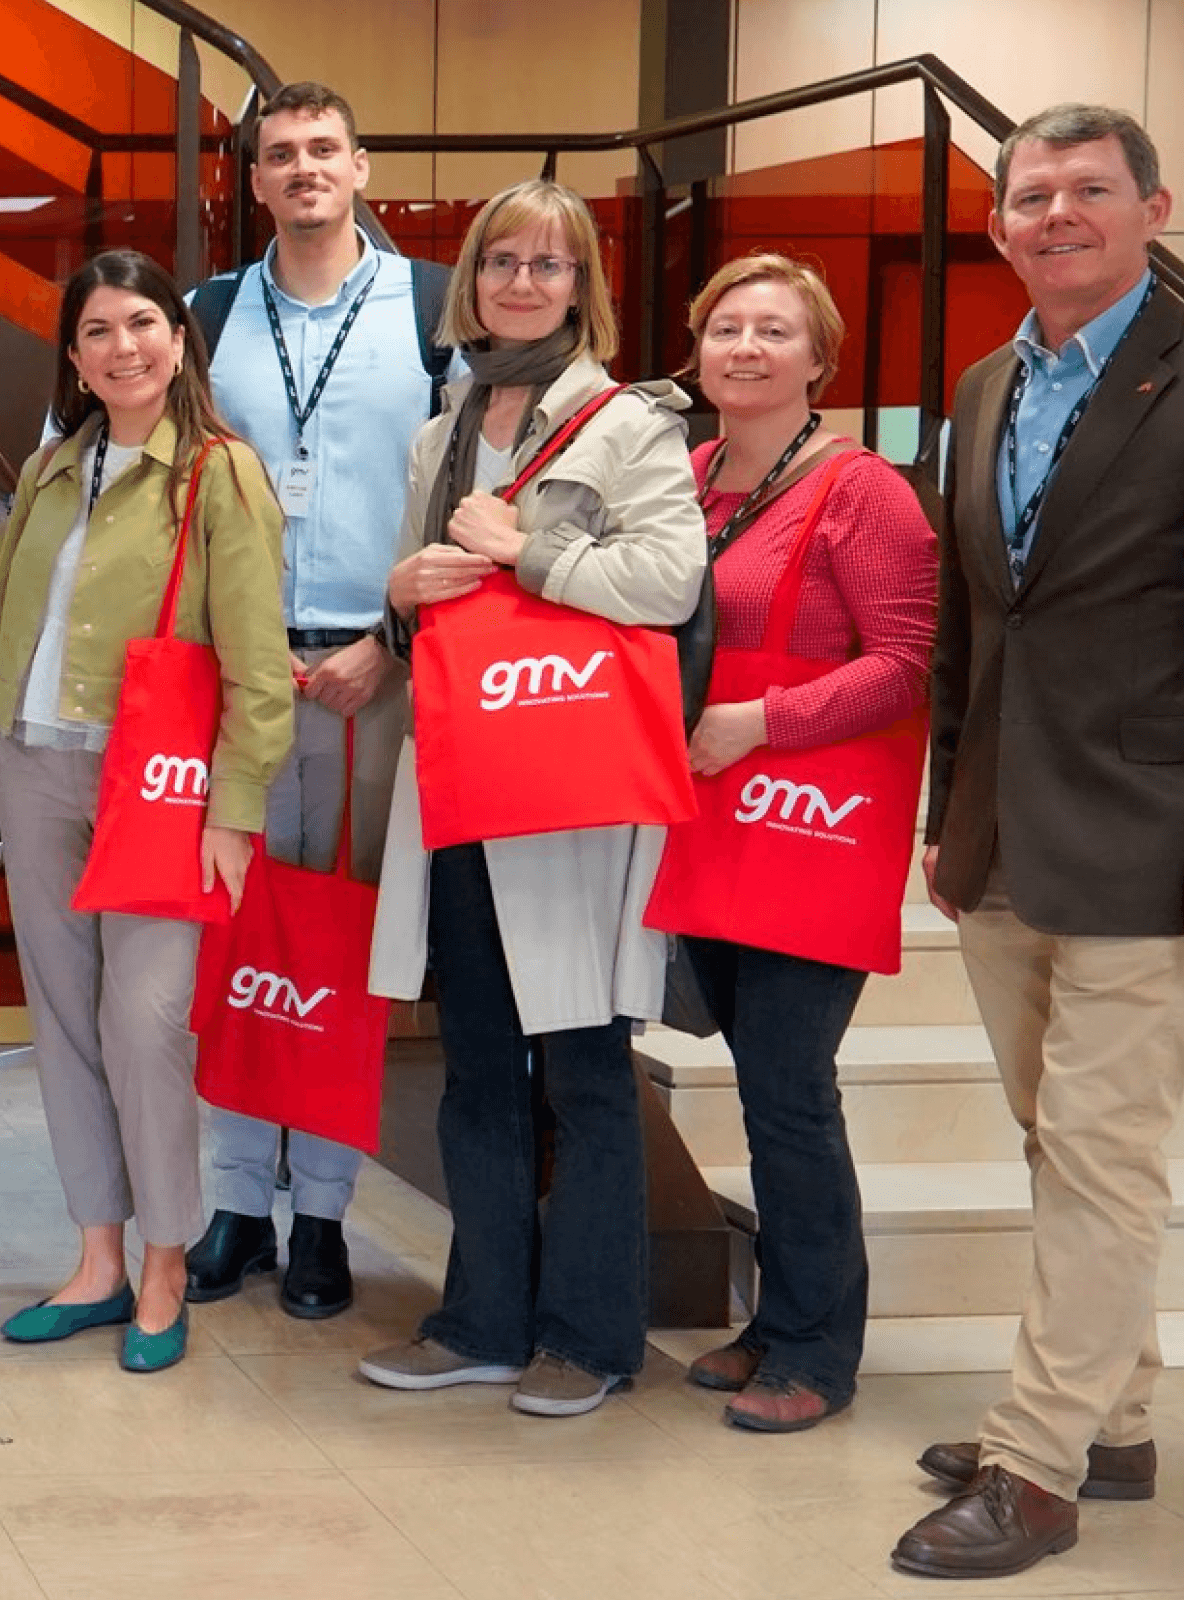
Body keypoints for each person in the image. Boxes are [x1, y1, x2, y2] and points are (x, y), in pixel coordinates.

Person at [360, 177, 706, 1416]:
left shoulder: (626, 421)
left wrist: (527, 552)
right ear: (472, 278)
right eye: (501, 259)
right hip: (457, 778)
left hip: (564, 789)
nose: (520, 280)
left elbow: (667, 580)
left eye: (547, 265)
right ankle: (481, 1319)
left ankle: (591, 1336)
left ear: (581, 286)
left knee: (584, 1068)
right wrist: (403, 583)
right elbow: (414, 610)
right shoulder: (440, 423)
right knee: (473, 1065)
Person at [891, 104, 1182, 1580]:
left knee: (1099, 1156)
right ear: (1000, 221)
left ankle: (1042, 1464)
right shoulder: (987, 382)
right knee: (1049, 1141)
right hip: (1003, 831)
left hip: (1150, 834)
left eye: (1088, 190)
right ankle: (1116, 1414)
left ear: (1154, 204)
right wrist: (950, 810)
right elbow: (971, 619)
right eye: (1030, 194)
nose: (1056, 213)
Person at [649, 254, 936, 1431]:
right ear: (698, 351)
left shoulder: (864, 490)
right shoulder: (688, 475)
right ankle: (773, 1320)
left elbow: (906, 660)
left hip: (804, 820)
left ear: (818, 360)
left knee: (787, 1088)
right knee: (762, 1086)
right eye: (726, 328)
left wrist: (762, 720)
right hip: (709, 821)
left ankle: (818, 1345)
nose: (746, 348)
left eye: (774, 331)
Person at [183, 81, 452, 1320]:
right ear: (253, 180)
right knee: (233, 939)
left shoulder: (433, 309)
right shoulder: (208, 313)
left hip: (374, 674)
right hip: (236, 676)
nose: (303, 169)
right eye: (279, 154)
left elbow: (465, 508)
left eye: (324, 150)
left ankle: (326, 1214)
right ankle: (236, 1200)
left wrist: (390, 644)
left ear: (361, 167)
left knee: (341, 949)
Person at [0, 249, 292, 1373]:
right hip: (36, 769)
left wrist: (237, 806)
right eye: (98, 332)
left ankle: (166, 1259)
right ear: (73, 357)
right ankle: (97, 1258)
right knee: (62, 1021)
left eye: (142, 324)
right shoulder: (49, 468)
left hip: (160, 788)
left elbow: (258, 665)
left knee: (145, 1022)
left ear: (179, 336)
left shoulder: (218, 473)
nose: (123, 348)